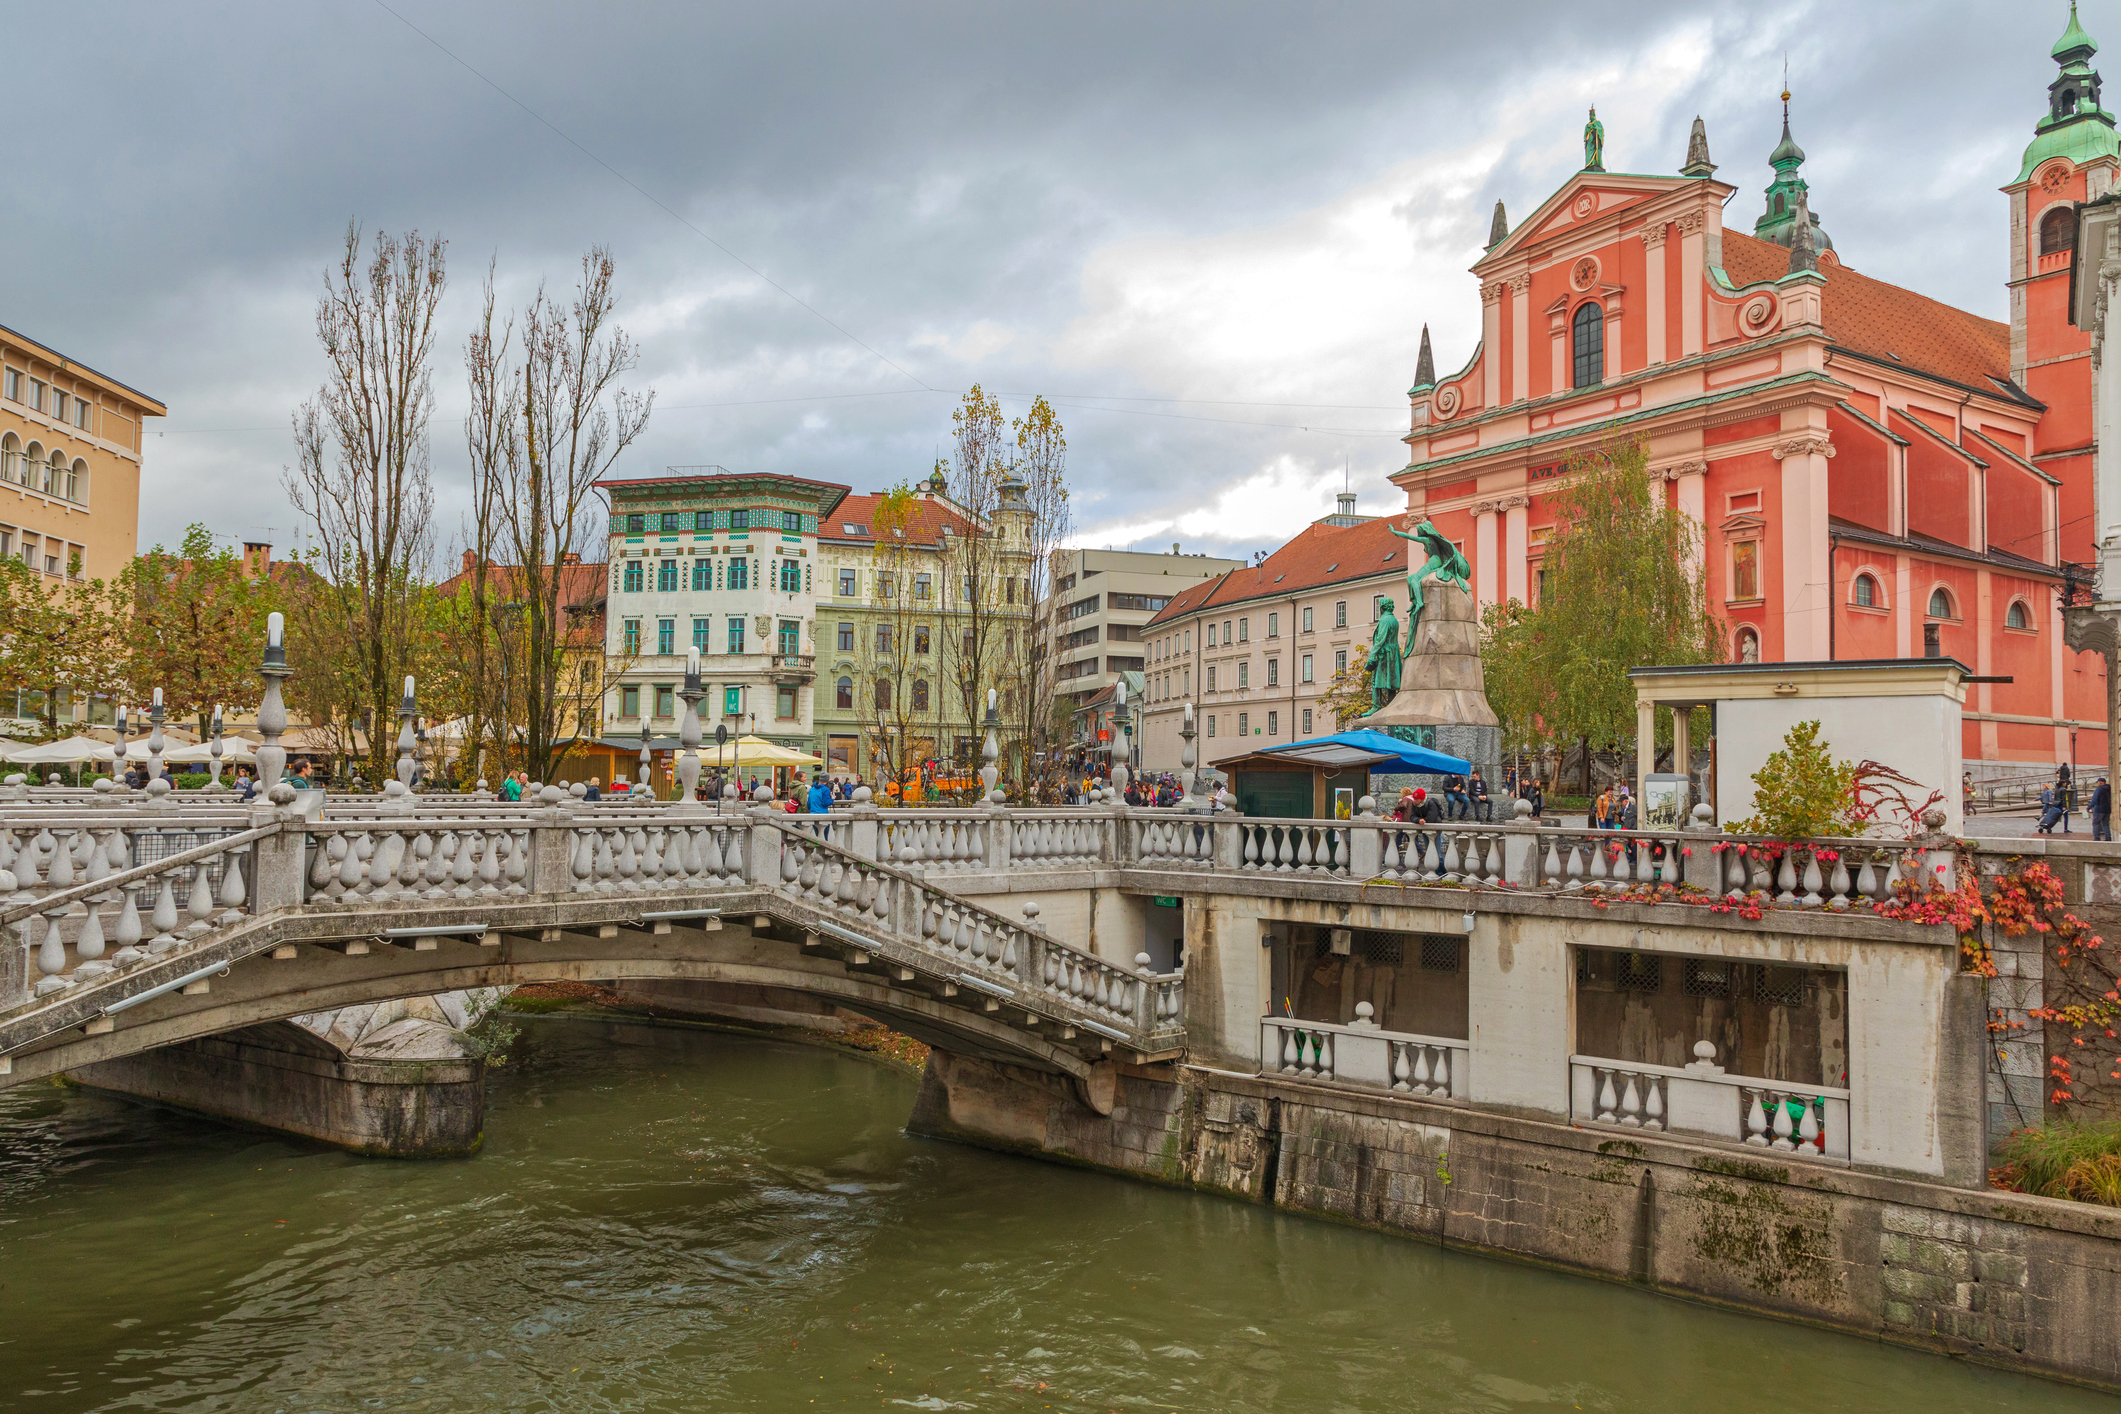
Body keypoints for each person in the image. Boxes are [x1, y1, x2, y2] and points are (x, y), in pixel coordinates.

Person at [2094, 777, 2112, 842]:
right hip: (2107, 809)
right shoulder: (2109, 788)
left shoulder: (2099, 789)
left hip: (2099, 809)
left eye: (2098, 783)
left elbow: (2095, 799)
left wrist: (2089, 807)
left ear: (2100, 783)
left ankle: (2096, 837)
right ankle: (2108, 837)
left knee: (2096, 823)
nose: (2098, 784)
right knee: (2106, 823)